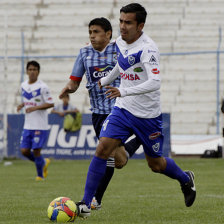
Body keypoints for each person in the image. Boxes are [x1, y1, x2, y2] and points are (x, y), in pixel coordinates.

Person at [76, 3, 196, 219]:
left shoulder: (148, 48)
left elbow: (155, 82)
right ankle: (86, 203)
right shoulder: (120, 42)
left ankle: (185, 179)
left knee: (156, 165)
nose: (122, 26)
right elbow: (122, 66)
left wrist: (123, 91)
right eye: (121, 21)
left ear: (140, 25)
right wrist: (105, 80)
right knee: (103, 148)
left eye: (128, 22)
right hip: (123, 109)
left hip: (147, 115)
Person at [59, 17, 141, 210]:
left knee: (108, 154)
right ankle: (139, 138)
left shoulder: (119, 49)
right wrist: (67, 89)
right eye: (90, 32)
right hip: (97, 113)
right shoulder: (84, 53)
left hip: (119, 110)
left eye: (96, 32)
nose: (92, 36)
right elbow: (75, 80)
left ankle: (95, 200)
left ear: (108, 34)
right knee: (119, 160)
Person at [17, 60, 54, 181]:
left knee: (36, 151)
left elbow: (50, 103)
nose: (32, 72)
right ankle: (43, 162)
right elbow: (30, 99)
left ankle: (40, 176)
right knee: (24, 151)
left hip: (40, 125)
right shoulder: (23, 85)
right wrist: (23, 105)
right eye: (30, 69)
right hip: (27, 125)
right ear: (26, 71)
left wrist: (35, 108)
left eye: (34, 70)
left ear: (38, 72)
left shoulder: (43, 87)